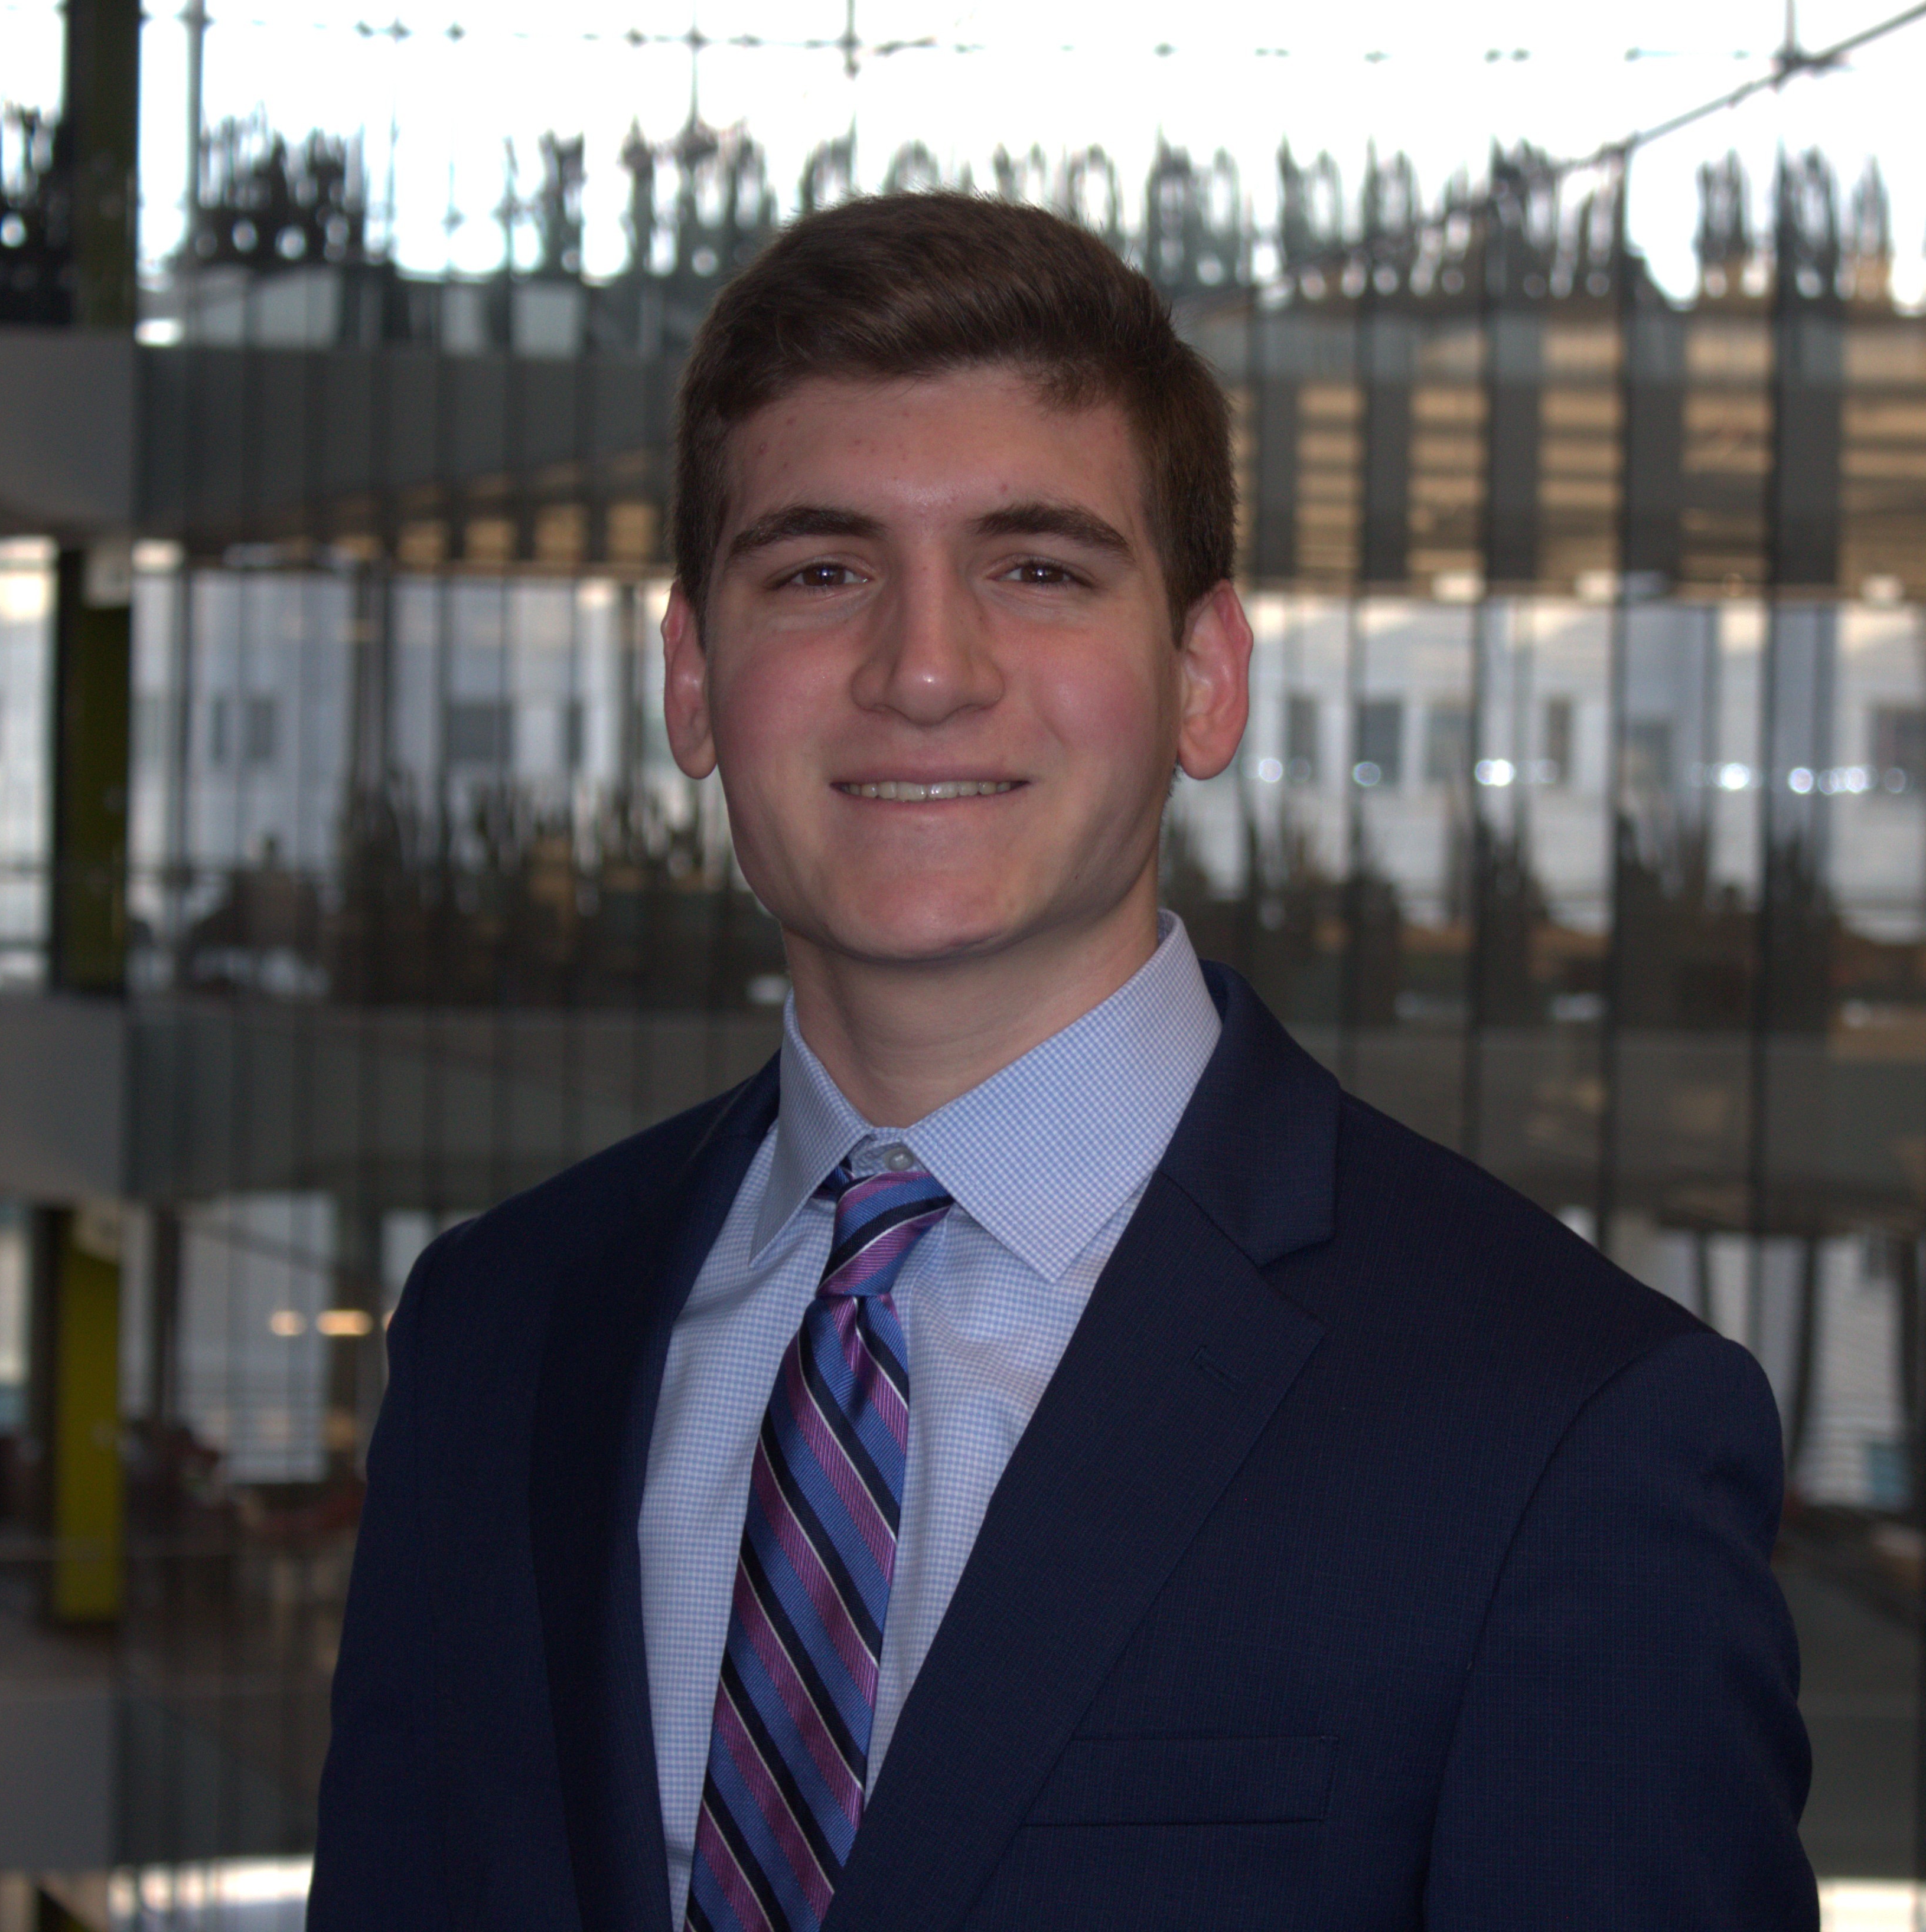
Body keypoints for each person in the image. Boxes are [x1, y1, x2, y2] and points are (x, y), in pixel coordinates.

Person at [308, 192, 1816, 1932]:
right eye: (819, 571)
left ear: (1204, 678)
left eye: (1037, 569)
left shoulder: (1565, 1427)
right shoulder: (498, 1335)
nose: (924, 670)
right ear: (694, 679)